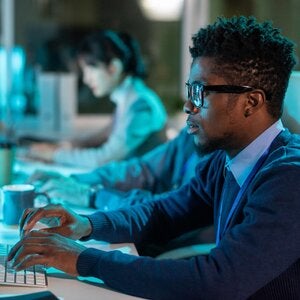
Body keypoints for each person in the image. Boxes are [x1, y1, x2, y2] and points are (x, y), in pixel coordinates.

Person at [9, 16, 300, 299]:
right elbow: (164, 213)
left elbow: (217, 281)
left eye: (200, 92)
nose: (188, 105)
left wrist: (83, 259)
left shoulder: (289, 178)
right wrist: (88, 224)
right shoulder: (225, 161)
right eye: (189, 90)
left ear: (252, 102)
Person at [28, 29, 167, 168]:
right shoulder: (129, 98)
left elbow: (104, 159)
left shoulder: (141, 105)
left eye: (90, 70)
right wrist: (68, 145)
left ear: (113, 68)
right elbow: (106, 134)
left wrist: (54, 155)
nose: (86, 79)